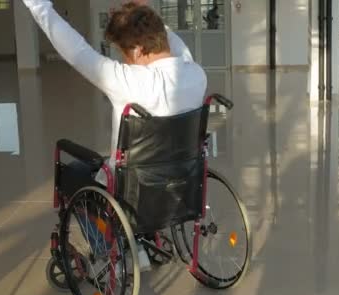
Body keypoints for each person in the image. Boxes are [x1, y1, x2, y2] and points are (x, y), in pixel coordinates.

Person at [20, 0, 207, 271]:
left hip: (132, 192)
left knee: (72, 174)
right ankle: (140, 239)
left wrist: (39, 7)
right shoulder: (196, 74)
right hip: (181, 184)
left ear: (138, 50)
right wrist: (146, 15)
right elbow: (178, 49)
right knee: (123, 164)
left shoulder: (127, 81)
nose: (123, 60)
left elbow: (77, 51)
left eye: (124, 53)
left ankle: (113, 248)